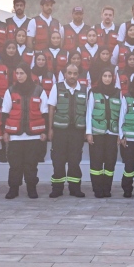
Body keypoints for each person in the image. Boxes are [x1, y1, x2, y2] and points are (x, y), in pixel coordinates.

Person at [2, 62, 49, 199]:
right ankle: (13, 189)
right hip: (15, 136)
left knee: (31, 165)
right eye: (17, 73)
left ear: (28, 74)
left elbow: (44, 113)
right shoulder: (10, 91)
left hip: (33, 136)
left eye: (22, 73)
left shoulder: (39, 90)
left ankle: (31, 189)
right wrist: (4, 132)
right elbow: (5, 113)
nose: (19, 76)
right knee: (15, 165)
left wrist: (44, 132)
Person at [47, 63, 88, 198]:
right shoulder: (57, 88)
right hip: (60, 130)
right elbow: (51, 108)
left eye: (75, 73)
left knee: (75, 160)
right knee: (58, 160)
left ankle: (75, 188)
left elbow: (87, 112)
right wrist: (50, 129)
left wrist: (86, 131)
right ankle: (57, 189)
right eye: (69, 73)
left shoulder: (84, 90)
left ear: (78, 75)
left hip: (77, 131)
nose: (72, 76)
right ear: (64, 74)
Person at [86, 67, 121, 198]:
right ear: (101, 77)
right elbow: (89, 113)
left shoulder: (118, 93)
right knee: (96, 162)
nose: (107, 78)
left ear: (113, 78)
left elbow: (121, 116)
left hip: (112, 134)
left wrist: (120, 134)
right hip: (96, 133)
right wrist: (89, 133)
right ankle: (97, 189)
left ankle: (107, 189)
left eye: (109, 76)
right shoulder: (93, 92)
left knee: (110, 162)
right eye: (104, 76)